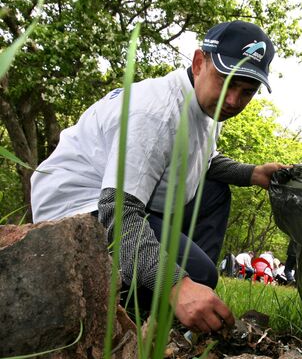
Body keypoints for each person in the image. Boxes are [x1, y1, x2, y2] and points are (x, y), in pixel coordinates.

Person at [30, 20, 288, 333]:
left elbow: (204, 161)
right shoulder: (156, 113)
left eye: (246, 92)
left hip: (132, 200)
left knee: (215, 190)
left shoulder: (207, 107)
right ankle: (159, 301)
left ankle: (187, 292)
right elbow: (118, 212)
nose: (232, 101)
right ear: (198, 63)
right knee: (198, 275)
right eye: (226, 82)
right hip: (80, 208)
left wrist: (253, 173)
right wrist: (176, 284)